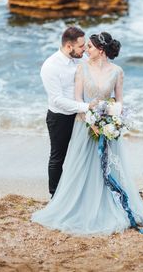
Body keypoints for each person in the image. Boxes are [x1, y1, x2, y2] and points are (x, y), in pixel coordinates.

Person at [32, 32, 143, 235]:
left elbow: (119, 101)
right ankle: (64, 199)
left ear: (100, 50)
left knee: (108, 166)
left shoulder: (117, 71)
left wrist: (112, 120)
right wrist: (92, 118)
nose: (85, 50)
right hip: (84, 124)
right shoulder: (79, 68)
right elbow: (77, 98)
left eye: (88, 47)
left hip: (106, 124)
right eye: (83, 46)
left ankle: (110, 200)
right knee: (75, 163)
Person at [40, 26, 96, 198]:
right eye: (81, 46)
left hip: (81, 114)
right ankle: (55, 195)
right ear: (69, 46)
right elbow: (57, 100)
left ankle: (85, 190)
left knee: (86, 153)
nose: (85, 49)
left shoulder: (80, 58)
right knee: (58, 156)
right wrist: (87, 107)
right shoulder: (50, 66)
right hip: (60, 117)